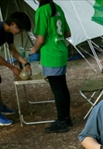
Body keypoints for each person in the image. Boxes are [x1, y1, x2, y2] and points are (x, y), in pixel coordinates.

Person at [29, 0, 72, 134]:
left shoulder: (42, 11)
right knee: (62, 87)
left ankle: (62, 122)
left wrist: (34, 49)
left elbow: (40, 39)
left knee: (57, 89)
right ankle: (66, 118)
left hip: (50, 54)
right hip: (60, 50)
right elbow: (67, 33)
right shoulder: (57, 7)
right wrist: (55, 36)